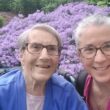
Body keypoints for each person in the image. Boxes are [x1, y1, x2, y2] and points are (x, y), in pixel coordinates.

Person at [0, 24, 88, 110]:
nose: (44, 56)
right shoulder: (2, 91)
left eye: (52, 49)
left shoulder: (66, 93)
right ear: (21, 54)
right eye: (36, 47)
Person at [74, 14, 110, 110]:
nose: (100, 59)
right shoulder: (81, 82)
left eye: (108, 46)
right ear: (80, 55)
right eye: (89, 49)